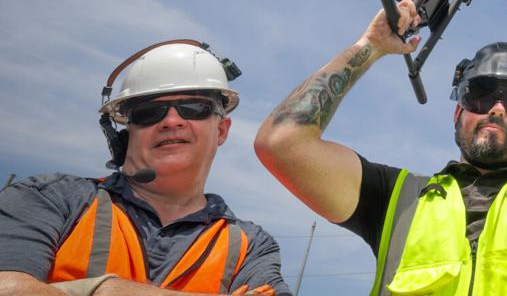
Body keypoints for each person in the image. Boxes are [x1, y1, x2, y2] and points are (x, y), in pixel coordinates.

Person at [255, 0, 507, 295]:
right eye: (479, 95)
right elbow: (282, 143)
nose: (495, 109)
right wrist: (371, 46)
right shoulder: (395, 200)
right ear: (458, 113)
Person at [0, 39, 290, 296]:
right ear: (125, 132)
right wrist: (104, 290)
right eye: (150, 112)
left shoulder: (250, 247)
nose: (171, 121)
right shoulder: (50, 199)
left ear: (222, 130)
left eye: (193, 108)